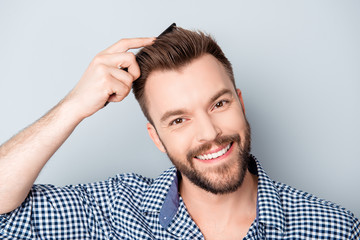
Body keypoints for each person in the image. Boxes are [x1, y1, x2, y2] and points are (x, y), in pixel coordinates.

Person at [0, 25, 359, 240]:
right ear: (156, 138)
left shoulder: (334, 229)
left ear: (241, 103)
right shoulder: (111, 213)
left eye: (219, 104)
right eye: (178, 120)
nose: (210, 133)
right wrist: (72, 106)